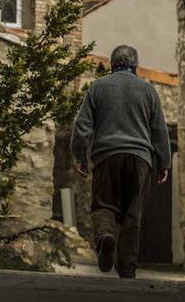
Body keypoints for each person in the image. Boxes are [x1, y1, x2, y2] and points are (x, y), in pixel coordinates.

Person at [70, 44, 171, 278]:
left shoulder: (97, 88)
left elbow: (82, 126)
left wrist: (80, 157)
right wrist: (163, 163)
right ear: (135, 66)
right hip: (140, 160)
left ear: (112, 65)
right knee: (132, 215)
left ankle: (106, 236)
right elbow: (159, 131)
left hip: (107, 157)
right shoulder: (148, 91)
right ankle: (127, 269)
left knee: (103, 205)